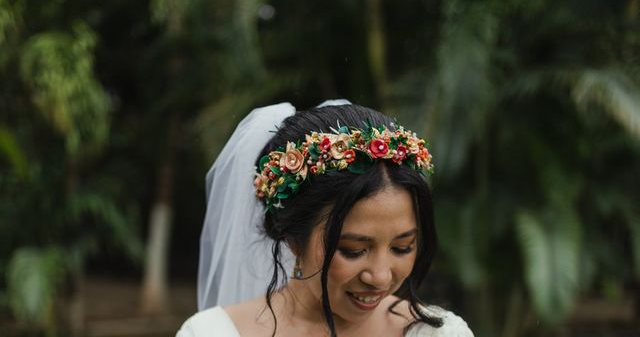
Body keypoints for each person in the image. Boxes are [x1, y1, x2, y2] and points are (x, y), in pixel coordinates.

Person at [177, 102, 473, 336]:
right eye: (354, 250)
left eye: (403, 247)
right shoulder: (211, 333)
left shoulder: (438, 333)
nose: (381, 276)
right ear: (293, 238)